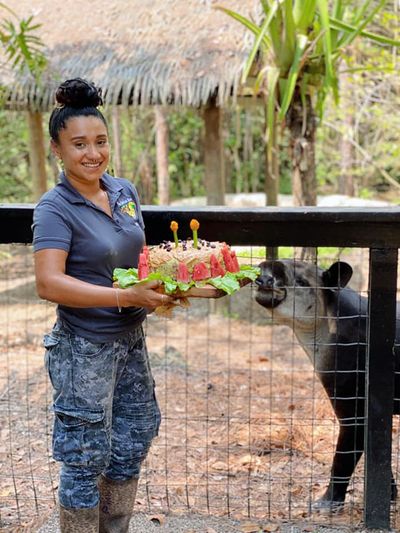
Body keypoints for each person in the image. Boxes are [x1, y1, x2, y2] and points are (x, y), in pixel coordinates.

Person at [32, 78, 174, 533]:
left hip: (132, 338)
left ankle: (114, 528)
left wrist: (174, 289)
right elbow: (48, 283)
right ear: (57, 148)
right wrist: (124, 296)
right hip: (83, 347)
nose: (92, 153)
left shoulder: (123, 192)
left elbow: (140, 259)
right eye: (78, 144)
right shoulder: (54, 208)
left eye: (100, 141)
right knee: (83, 454)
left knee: (135, 435)